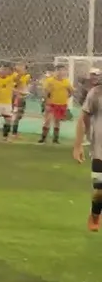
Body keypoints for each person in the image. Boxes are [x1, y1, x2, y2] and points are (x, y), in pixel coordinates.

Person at [72, 83, 102, 232]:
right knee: (99, 188)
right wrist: (78, 146)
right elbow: (83, 119)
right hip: (99, 150)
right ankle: (95, 214)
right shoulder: (96, 93)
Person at [40, 64, 73, 145]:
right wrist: (46, 103)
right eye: (59, 70)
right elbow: (45, 92)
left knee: (57, 121)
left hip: (62, 104)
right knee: (47, 120)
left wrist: (66, 97)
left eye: (63, 70)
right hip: (51, 104)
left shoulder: (66, 81)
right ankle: (43, 138)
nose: (61, 72)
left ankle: (55, 139)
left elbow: (71, 91)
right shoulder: (50, 81)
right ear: (55, 71)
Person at [0, 63, 18, 142]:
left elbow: (18, 76)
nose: (4, 71)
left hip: (7, 103)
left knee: (8, 119)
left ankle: (5, 136)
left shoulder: (11, 77)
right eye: (2, 69)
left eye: (6, 69)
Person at [11, 61, 31, 137]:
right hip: (15, 97)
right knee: (13, 114)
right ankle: (13, 132)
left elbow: (25, 85)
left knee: (19, 115)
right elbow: (14, 85)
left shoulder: (27, 76)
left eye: (23, 67)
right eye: (19, 66)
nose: (21, 68)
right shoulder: (14, 75)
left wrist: (25, 92)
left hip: (22, 97)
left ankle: (14, 131)